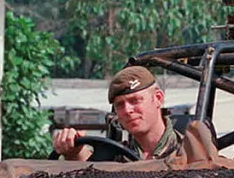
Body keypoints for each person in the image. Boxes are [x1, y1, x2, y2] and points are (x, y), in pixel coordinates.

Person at [52, 65, 183, 161]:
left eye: (135, 100)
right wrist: (74, 152)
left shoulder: (189, 152)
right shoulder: (117, 156)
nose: (127, 110)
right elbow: (94, 174)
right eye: (120, 104)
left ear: (158, 98)